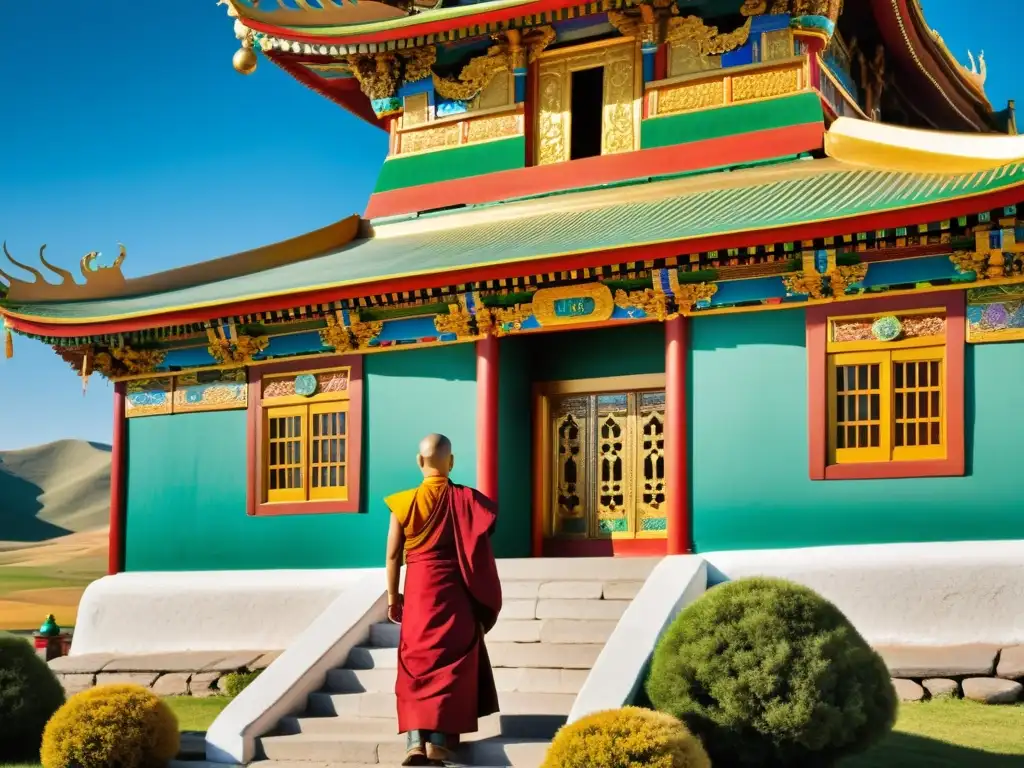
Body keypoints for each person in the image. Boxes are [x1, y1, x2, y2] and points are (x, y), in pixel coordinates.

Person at [384, 433, 503, 766]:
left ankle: (413, 742)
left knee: (415, 663)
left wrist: (394, 597)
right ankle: (438, 741)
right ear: (450, 462)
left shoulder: (402, 503)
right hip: (454, 596)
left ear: (419, 461)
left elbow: (393, 556)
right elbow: (478, 551)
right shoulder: (468, 500)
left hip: (419, 596)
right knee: (450, 663)